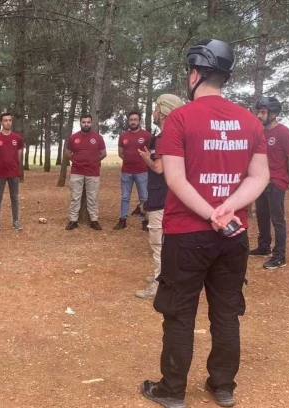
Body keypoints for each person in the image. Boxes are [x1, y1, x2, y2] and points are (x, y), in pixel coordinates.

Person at [140, 39, 269, 408]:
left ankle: (172, 390)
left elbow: (176, 180)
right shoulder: (249, 120)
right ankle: (223, 385)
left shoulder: (179, 118)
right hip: (233, 235)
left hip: (186, 234)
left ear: (195, 75)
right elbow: (259, 178)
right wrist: (226, 208)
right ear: (224, 77)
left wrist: (211, 212)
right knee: (226, 311)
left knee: (179, 312)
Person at [135, 94, 185, 300]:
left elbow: (158, 168)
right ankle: (163, 276)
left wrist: (146, 158)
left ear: (164, 112)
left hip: (161, 197)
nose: (153, 113)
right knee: (166, 241)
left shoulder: (165, 138)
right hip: (167, 196)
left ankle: (159, 284)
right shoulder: (172, 136)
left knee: (158, 242)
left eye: (156, 109)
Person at [250, 97, 289, 269]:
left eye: (263, 112)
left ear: (274, 113)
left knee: (277, 219)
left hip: (276, 182)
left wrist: (287, 175)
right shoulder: (261, 132)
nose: (259, 116)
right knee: (262, 215)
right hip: (261, 181)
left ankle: (279, 256)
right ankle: (264, 247)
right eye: (259, 112)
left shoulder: (283, 132)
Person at [65, 114, 106, 231]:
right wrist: (76, 161)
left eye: (88, 122)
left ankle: (94, 220)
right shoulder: (73, 138)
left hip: (92, 172)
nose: (86, 124)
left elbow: (103, 154)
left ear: (91, 123)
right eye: (84, 122)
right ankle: (73, 221)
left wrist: (93, 161)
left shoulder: (98, 138)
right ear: (80, 123)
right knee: (75, 197)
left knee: (92, 197)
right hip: (77, 172)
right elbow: (68, 153)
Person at [113, 111, 151, 231]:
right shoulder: (123, 136)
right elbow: (120, 152)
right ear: (128, 121)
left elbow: (150, 152)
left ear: (139, 121)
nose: (133, 122)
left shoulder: (146, 135)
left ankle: (145, 221)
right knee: (125, 197)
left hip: (142, 172)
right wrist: (130, 160)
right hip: (126, 172)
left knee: (144, 197)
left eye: (135, 119)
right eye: (131, 120)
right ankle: (122, 220)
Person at [0, 113, 24, 232]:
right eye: (5, 120)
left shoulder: (17, 138)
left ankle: (15, 221)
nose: (8, 122)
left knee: (14, 198)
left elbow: (18, 156)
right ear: (1, 122)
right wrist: (0, 165)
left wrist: (13, 165)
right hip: (0, 173)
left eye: (10, 120)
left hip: (14, 173)